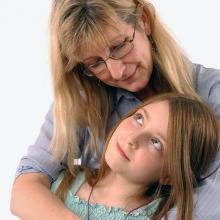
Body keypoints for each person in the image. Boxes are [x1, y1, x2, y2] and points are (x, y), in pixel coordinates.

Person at [10, 0, 220, 219]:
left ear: (144, 20)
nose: (117, 72)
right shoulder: (85, 95)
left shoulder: (213, 93)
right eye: (95, 63)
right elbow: (28, 182)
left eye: (119, 46)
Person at [51, 93, 220, 220]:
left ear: (169, 176)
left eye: (156, 142)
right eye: (139, 118)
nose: (132, 139)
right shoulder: (62, 180)